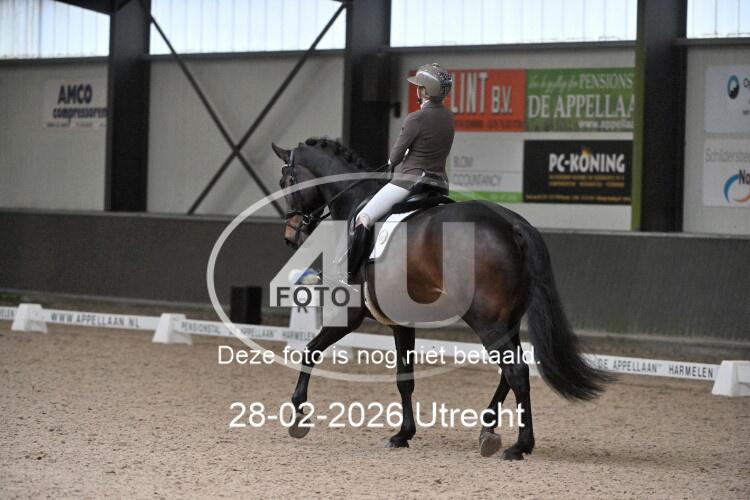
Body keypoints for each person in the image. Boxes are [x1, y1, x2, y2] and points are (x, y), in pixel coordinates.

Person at [347, 62, 455, 280]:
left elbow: (395, 157)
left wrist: (394, 158)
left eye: (419, 87)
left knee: (364, 217)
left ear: (425, 91)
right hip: (439, 184)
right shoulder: (449, 117)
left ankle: (351, 274)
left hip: (410, 182)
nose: (417, 90)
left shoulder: (415, 118)